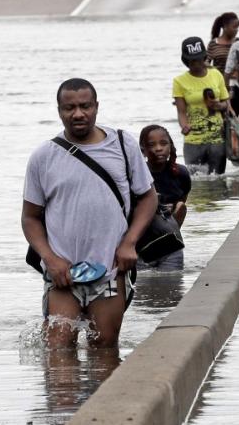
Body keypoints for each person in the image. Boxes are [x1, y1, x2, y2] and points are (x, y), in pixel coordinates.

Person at [21, 78, 157, 349]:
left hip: (110, 270)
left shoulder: (122, 145)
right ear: (59, 110)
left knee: (105, 350)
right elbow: (30, 217)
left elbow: (148, 198)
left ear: (96, 107)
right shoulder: (43, 157)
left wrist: (129, 243)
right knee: (58, 353)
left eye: (85, 106)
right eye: (69, 108)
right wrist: (50, 258)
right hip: (62, 274)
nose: (78, 114)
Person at [173, 36, 232, 174]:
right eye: (192, 60)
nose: (196, 63)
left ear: (205, 57)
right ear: (185, 60)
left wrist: (219, 106)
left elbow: (227, 104)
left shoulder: (216, 74)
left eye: (199, 59)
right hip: (193, 140)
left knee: (217, 180)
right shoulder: (179, 81)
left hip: (217, 138)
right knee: (196, 183)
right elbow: (181, 112)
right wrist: (184, 126)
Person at [138, 125, 191, 270]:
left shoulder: (181, 173)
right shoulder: (138, 175)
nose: (158, 148)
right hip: (142, 242)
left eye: (163, 143)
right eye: (151, 145)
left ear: (170, 146)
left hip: (170, 239)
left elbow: (182, 204)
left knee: (171, 282)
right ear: (143, 150)